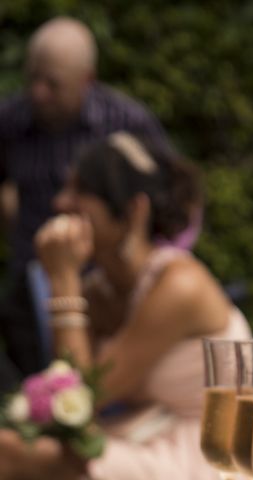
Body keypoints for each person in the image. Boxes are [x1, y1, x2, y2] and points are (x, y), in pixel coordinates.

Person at [0, 132, 252, 479]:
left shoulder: (180, 284)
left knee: (9, 453)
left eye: (81, 192)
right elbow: (71, 408)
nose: (61, 202)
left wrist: (62, 282)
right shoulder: (101, 289)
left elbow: (83, 399)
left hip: (204, 453)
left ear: (134, 209)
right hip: (145, 431)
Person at [0, 16, 172, 388]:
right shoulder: (11, 120)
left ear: (86, 79)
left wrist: (143, 260)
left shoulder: (126, 121)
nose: (38, 92)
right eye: (32, 78)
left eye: (53, 83)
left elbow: (83, 404)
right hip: (31, 283)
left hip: (101, 278)